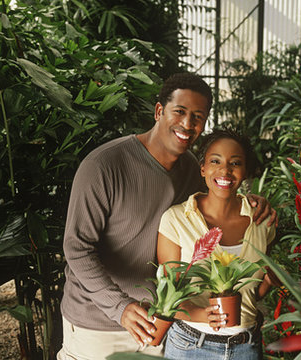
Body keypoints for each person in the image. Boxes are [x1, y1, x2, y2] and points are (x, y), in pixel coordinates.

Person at [59, 73, 274, 360]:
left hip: (163, 326)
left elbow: (218, 199)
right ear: (159, 111)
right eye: (180, 112)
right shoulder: (103, 166)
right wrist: (119, 307)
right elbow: (76, 248)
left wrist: (253, 202)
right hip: (98, 325)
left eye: (198, 117)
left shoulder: (191, 171)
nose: (188, 124)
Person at [156, 130, 276, 360]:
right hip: (190, 345)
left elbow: (252, 296)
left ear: (245, 171)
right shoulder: (176, 219)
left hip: (246, 346)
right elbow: (168, 292)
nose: (225, 171)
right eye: (215, 161)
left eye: (235, 163)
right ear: (202, 168)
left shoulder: (262, 221)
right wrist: (200, 314)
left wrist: (271, 280)